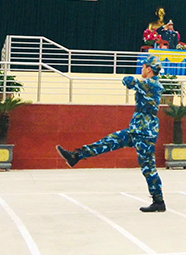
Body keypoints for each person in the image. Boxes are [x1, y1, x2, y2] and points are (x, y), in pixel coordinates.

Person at [56, 55, 166, 212]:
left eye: (143, 67)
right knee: (110, 141)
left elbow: (127, 80)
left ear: (149, 69)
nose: (141, 69)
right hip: (137, 130)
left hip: (145, 132)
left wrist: (135, 81)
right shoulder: (148, 84)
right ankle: (76, 156)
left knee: (148, 167)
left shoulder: (151, 84)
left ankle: (159, 201)